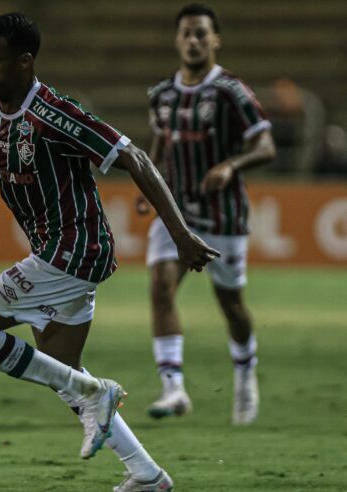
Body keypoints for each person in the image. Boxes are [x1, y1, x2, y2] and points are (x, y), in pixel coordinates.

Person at [0, 12, 219, 492]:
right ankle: (147, 475)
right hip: (58, 252)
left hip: (75, 249)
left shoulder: (56, 114)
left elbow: (136, 157)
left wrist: (179, 234)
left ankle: (98, 397)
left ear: (24, 61)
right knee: (63, 373)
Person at [138, 4, 275, 425]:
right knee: (161, 286)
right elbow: (159, 144)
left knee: (230, 302)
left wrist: (231, 166)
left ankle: (245, 372)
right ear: (177, 40)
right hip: (176, 210)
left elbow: (266, 145)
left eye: (201, 34)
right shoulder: (161, 94)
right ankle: (173, 387)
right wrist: (150, 186)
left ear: (215, 39)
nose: (193, 41)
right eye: (187, 34)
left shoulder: (232, 92)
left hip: (224, 214)